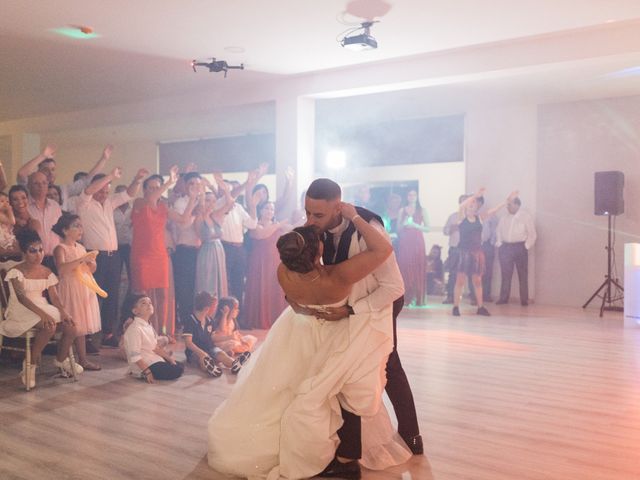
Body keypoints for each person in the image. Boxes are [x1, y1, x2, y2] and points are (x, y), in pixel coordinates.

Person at [208, 205, 411, 479]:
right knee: (332, 390)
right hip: (332, 333)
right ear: (319, 253)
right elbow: (382, 250)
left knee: (284, 386)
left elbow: (296, 305)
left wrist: (308, 308)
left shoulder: (283, 272)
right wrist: (353, 215)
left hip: (297, 332)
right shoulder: (337, 277)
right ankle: (339, 453)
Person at [302, 179, 422, 476]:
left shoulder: (368, 229)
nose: (310, 221)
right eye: (307, 213)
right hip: (351, 305)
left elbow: (393, 287)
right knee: (346, 367)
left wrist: (354, 310)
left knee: (388, 365)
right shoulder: (315, 229)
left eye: (317, 215)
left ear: (338, 207)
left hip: (382, 302)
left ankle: (411, 437)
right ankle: (346, 450)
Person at [0, 229, 81, 388]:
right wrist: (42, 314)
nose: (38, 255)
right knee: (48, 326)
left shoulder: (46, 271)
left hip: (42, 305)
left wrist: (64, 313)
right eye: (32, 251)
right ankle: (30, 365)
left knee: (72, 327)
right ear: (24, 252)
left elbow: (55, 298)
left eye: (41, 250)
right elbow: (22, 298)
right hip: (21, 309)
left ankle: (60, 360)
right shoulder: (15, 272)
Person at [76, 167, 147, 347]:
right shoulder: (83, 202)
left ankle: (108, 333)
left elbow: (129, 194)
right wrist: (110, 176)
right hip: (94, 256)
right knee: (92, 296)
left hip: (113, 256)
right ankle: (89, 335)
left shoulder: (109, 202)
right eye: (102, 190)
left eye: (107, 191)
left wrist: (137, 179)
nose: (104, 194)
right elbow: (89, 191)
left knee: (112, 296)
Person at [130, 167, 196, 339]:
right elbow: (151, 198)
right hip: (142, 254)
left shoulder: (163, 206)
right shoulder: (139, 203)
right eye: (151, 187)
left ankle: (163, 332)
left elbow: (183, 220)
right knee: (144, 296)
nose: (154, 191)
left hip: (160, 254)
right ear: (144, 190)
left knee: (162, 297)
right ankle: (145, 333)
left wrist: (193, 199)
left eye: (156, 187)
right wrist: (168, 183)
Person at [452, 189, 515, 316]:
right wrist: (474, 195)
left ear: (476, 206)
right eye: (470, 202)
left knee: (477, 281)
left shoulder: (480, 218)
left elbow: (494, 210)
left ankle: (480, 307)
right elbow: (461, 206)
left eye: (474, 203)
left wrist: (506, 202)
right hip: (464, 253)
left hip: (476, 253)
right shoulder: (461, 217)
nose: (472, 204)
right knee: (460, 281)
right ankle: (455, 307)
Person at [52, 214, 101, 371]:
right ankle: (62, 359)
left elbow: (90, 270)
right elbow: (61, 269)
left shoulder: (80, 247)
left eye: (81, 225)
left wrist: (91, 263)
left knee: (82, 324)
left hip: (82, 287)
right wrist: (81, 260)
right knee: (73, 324)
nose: (80, 229)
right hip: (70, 288)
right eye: (76, 226)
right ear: (65, 230)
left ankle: (83, 359)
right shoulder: (60, 248)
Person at [244, 201, 290, 329]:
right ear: (261, 210)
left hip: (275, 260)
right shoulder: (255, 225)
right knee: (261, 287)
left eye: (272, 209)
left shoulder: (277, 226)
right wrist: (279, 224)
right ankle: (259, 319)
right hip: (260, 262)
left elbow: (293, 229)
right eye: (267, 208)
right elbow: (262, 234)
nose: (270, 211)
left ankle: (276, 318)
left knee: (275, 287)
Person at [121, 294, 184, 382]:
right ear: (135, 311)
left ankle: (164, 365)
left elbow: (155, 348)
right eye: (143, 303)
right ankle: (140, 373)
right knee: (177, 370)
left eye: (150, 303)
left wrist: (169, 359)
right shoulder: (135, 328)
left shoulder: (148, 325)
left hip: (153, 358)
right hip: (146, 364)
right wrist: (147, 372)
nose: (149, 305)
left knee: (180, 365)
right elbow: (134, 356)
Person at [183, 291, 246, 377]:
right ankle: (211, 368)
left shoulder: (209, 321)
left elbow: (212, 337)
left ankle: (234, 364)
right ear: (206, 309)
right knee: (203, 359)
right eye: (214, 307)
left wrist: (228, 337)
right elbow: (188, 343)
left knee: (221, 354)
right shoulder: (190, 320)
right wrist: (202, 353)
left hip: (210, 347)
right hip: (195, 352)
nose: (215, 309)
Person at [194, 177, 233, 298]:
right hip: (206, 252)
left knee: (220, 281)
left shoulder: (216, 215)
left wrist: (226, 190)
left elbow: (230, 203)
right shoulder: (198, 218)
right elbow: (201, 235)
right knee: (207, 282)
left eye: (213, 201)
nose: (211, 203)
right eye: (208, 200)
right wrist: (202, 190)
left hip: (219, 250)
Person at [496, 196, 537, 306]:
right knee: (505, 275)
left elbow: (532, 234)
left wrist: (526, 247)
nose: (508, 207)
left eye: (510, 204)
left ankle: (524, 300)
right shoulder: (504, 218)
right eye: (507, 205)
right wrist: (500, 244)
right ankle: (503, 298)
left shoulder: (525, 217)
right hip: (505, 248)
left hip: (520, 247)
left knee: (522, 275)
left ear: (517, 205)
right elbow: (498, 232)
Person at [396, 189, 429, 306]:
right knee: (405, 266)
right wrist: (404, 224)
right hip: (405, 240)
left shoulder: (422, 210)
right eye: (409, 195)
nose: (412, 197)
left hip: (417, 241)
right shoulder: (402, 211)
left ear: (417, 196)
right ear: (407, 196)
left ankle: (417, 296)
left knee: (417, 266)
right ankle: (405, 297)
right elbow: (398, 229)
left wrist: (415, 225)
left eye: (414, 195)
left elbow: (428, 228)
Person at [26, 171, 62, 272]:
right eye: (36, 183)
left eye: (44, 183)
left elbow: (60, 232)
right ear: (28, 185)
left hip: (55, 258)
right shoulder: (24, 206)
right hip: (34, 259)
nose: (41, 186)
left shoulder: (55, 206)